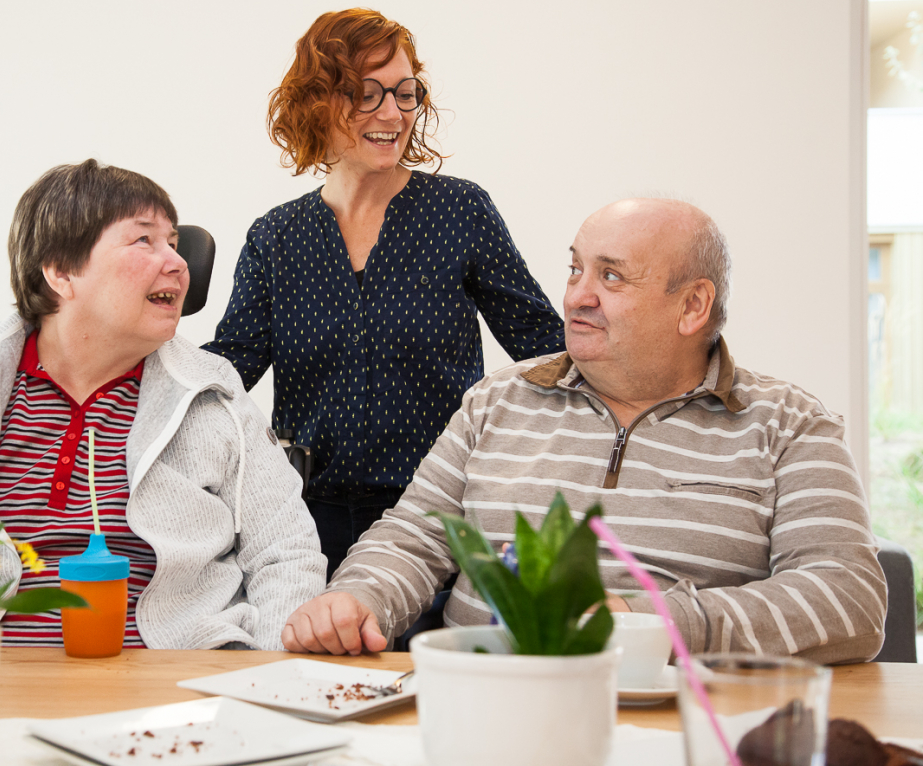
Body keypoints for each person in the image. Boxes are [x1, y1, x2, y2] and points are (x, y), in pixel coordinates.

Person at [282, 198, 888, 664]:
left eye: (612, 277)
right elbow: (416, 535)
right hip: (489, 710)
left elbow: (846, 597)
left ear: (693, 307)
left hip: (680, 718)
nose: (577, 296)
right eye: (575, 270)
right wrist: (358, 598)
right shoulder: (497, 400)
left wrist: (641, 621)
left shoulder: (791, 424)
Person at [0, 159, 325, 650]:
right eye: (144, 240)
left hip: (175, 692)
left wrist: (261, 685)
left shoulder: (215, 396)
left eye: (174, 244)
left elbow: (286, 556)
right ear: (61, 272)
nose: (178, 264)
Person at [202, 9, 565, 576]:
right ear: (318, 101)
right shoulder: (276, 235)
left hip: (439, 513)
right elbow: (226, 374)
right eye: (366, 94)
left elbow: (545, 348)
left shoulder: (461, 211)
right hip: (305, 521)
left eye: (404, 93)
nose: (391, 113)